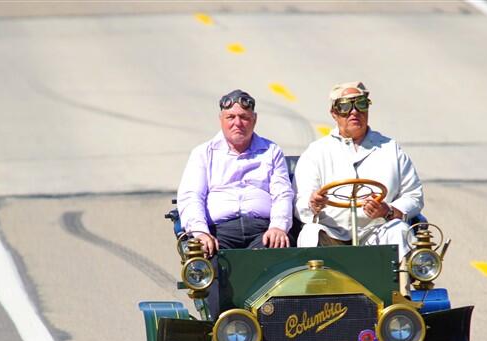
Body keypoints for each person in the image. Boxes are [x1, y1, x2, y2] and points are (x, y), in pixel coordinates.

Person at [294, 81, 423, 258]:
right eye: (345, 106)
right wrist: (313, 204)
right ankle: (319, 284)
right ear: (334, 114)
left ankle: (399, 285)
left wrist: (388, 211)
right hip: (332, 234)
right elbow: (300, 201)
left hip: (376, 231)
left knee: (399, 229)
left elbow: (414, 194)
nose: (354, 112)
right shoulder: (316, 152)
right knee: (310, 233)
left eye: (361, 104)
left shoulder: (389, 148)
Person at [177, 89, 293, 257]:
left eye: (244, 117)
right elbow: (191, 196)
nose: (237, 123)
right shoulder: (203, 153)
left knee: (277, 255)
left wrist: (278, 227)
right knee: (202, 257)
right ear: (221, 120)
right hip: (218, 231)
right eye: (230, 117)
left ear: (254, 120)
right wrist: (200, 232)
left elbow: (282, 193)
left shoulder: (271, 151)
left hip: (263, 231)